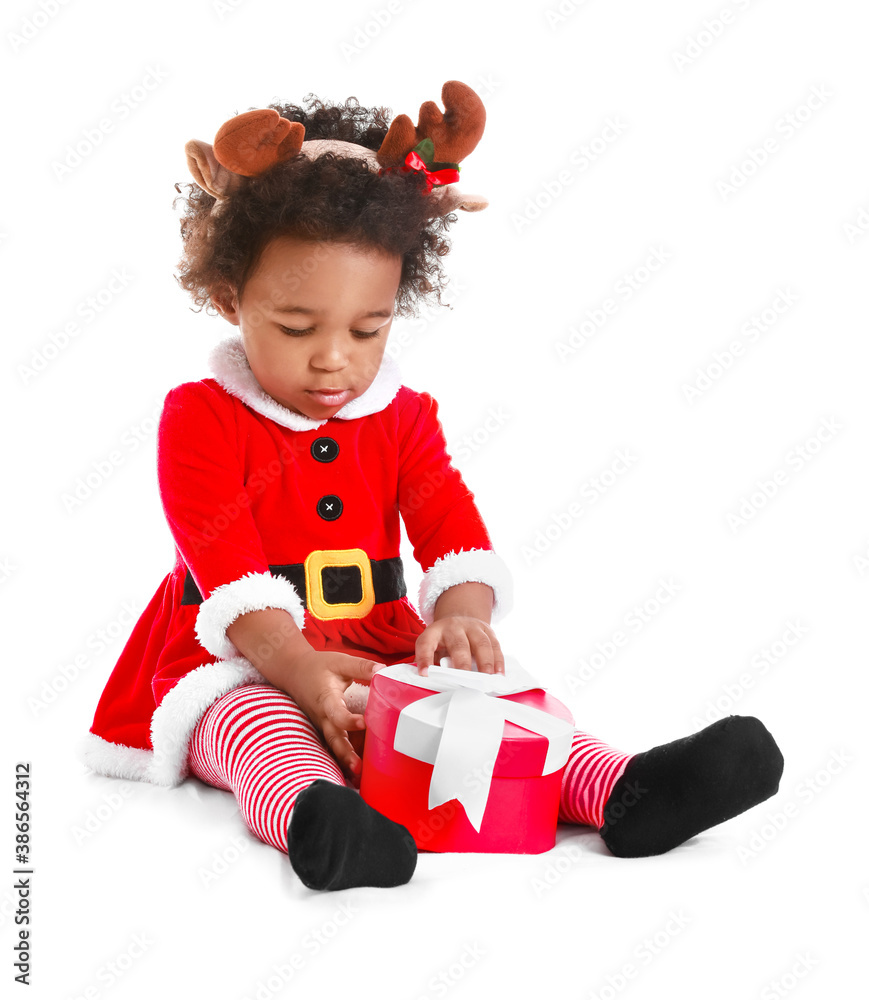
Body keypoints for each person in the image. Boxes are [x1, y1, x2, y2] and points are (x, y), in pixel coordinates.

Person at [80, 81, 784, 892]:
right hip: (240, 655)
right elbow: (224, 559)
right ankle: (320, 819)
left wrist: (459, 618)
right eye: (297, 327)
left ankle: (624, 791)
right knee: (262, 727)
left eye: (368, 328)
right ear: (228, 298)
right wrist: (299, 666)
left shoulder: (403, 415)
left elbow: (447, 520)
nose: (333, 358)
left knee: (491, 711)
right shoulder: (202, 415)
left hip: (378, 639)